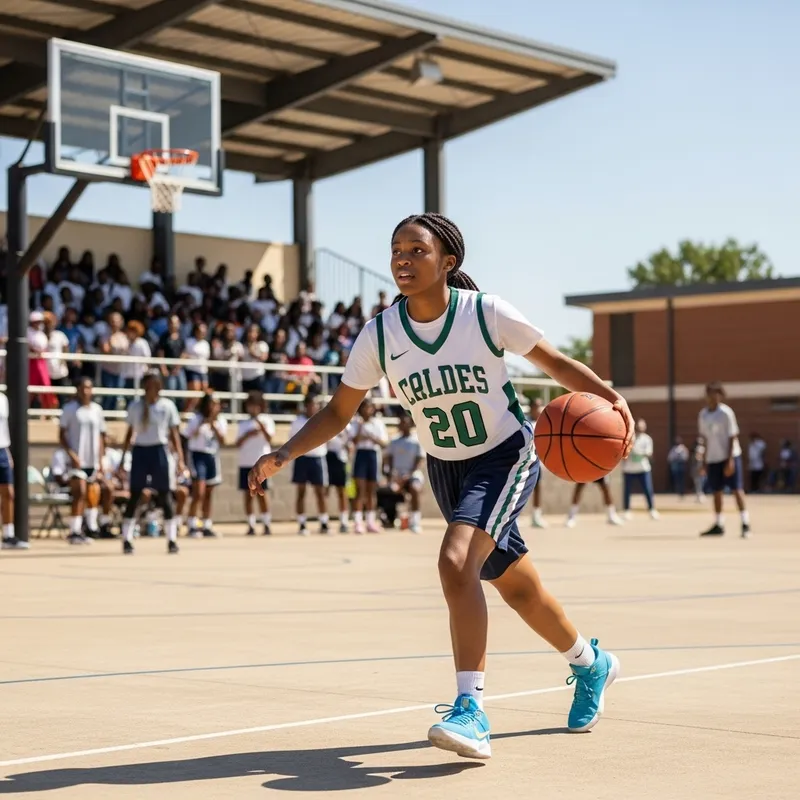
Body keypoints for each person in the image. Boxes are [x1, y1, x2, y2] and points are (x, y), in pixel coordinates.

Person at [248, 212, 633, 759]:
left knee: (455, 563)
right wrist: (285, 451)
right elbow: (339, 411)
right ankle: (591, 665)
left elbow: (557, 365)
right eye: (395, 250)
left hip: (505, 455)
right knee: (517, 587)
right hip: (445, 467)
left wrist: (614, 402)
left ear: (448, 262)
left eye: (416, 250)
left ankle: (470, 710)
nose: (402, 259)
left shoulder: (485, 313)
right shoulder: (380, 333)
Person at [118, 372, 185, 555]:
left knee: (164, 495)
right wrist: (124, 458)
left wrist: (180, 459)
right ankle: (127, 538)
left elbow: (174, 434)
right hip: (141, 450)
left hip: (159, 450)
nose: (152, 389)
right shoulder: (136, 406)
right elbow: (129, 433)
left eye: (156, 385)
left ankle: (172, 539)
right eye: (149, 385)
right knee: (135, 495)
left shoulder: (167, 406)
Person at [59, 378, 108, 544]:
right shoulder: (70, 409)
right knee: (79, 492)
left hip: (92, 460)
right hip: (76, 460)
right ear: (77, 389)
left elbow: (102, 437)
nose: (86, 391)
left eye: (89, 387)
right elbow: (61, 435)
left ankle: (89, 527)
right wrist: (72, 455)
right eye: (83, 387)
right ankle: (74, 530)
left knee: (92, 493)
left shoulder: (97, 410)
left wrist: (101, 459)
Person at [697, 382, 749, 538]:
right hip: (713, 458)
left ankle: (745, 523)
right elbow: (704, 439)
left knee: (736, 489)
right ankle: (719, 524)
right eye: (710, 393)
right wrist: (704, 462)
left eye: (716, 393)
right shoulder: (703, 415)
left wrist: (730, 459)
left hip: (729, 457)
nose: (713, 397)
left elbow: (732, 436)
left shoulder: (726, 413)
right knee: (716, 491)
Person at [185, 393, 227, 538]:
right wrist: (202, 423)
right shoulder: (196, 419)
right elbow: (188, 435)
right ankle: (191, 524)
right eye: (212, 403)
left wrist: (213, 424)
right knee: (199, 492)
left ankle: (207, 523)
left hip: (211, 455)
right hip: (198, 455)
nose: (214, 407)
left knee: (209, 492)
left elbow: (223, 440)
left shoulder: (220, 420)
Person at [287, 394, 329, 535]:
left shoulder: (321, 420)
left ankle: (324, 522)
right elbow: (292, 440)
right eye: (311, 404)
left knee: (320, 492)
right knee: (301, 492)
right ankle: (302, 523)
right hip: (302, 458)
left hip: (317, 457)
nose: (313, 407)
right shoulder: (297, 422)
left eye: (316, 405)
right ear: (306, 406)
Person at [236, 390, 275, 536]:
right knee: (247, 495)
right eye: (250, 406)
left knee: (262, 494)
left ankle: (266, 523)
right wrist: (248, 434)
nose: (252, 409)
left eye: (255, 406)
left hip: (261, 463)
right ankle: (251, 524)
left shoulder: (266, 420)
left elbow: (270, 438)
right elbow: (238, 443)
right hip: (246, 462)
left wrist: (261, 426)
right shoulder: (244, 423)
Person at [351, 398, 389, 533]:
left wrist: (372, 437)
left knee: (371, 490)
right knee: (359, 490)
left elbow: (384, 443)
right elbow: (353, 440)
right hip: (361, 455)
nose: (367, 410)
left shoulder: (378, 423)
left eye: (369, 407)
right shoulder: (356, 422)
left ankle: (371, 521)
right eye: (364, 408)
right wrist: (361, 428)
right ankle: (357, 521)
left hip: (373, 455)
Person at [383, 412, 425, 533]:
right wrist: (391, 476)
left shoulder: (416, 440)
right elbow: (389, 459)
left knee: (414, 488)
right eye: (401, 423)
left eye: (405, 423)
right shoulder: (394, 441)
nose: (403, 425)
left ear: (410, 424)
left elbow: (419, 460)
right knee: (387, 490)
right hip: (396, 476)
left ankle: (415, 522)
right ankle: (390, 519)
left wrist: (409, 475)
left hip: (412, 475)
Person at [621, 418, 658, 519]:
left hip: (643, 469)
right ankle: (627, 511)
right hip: (629, 469)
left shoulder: (647, 439)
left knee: (648, 490)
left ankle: (652, 510)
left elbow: (649, 453)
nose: (640, 428)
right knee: (627, 491)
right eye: (638, 426)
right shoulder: (629, 438)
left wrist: (639, 453)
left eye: (642, 426)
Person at [0, 391, 23, 549]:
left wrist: (8, 452)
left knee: (9, 492)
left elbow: (4, 429)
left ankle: (8, 535)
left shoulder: (3, 399)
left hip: (2, 450)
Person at [325, 423, 353, 534]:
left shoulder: (348, 426)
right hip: (327, 456)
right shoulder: (327, 421)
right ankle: (324, 521)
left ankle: (344, 521)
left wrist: (347, 445)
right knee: (325, 490)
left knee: (342, 491)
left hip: (341, 459)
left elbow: (350, 444)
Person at [528, 398, 547, 528]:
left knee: (537, 488)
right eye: (537, 406)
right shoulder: (525, 422)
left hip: (536, 461)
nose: (539, 409)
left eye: (541, 406)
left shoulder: (544, 423)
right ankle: (513, 518)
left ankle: (536, 515)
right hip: (522, 462)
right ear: (531, 408)